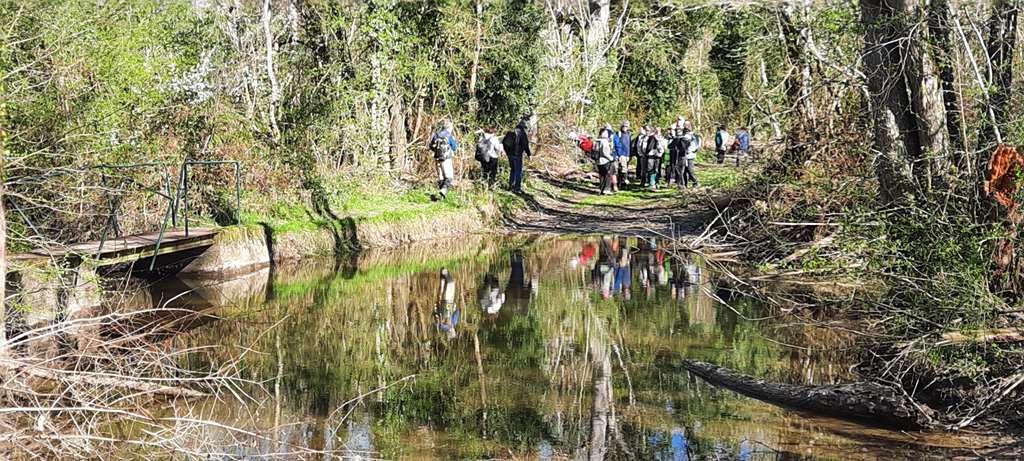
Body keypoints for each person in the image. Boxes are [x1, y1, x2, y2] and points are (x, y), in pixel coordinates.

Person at [429, 121, 458, 199]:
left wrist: (436, 151)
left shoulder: (436, 134)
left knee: (441, 177)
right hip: (446, 159)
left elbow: (430, 146)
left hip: (437, 158)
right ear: (450, 128)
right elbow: (454, 147)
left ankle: (441, 197)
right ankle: (443, 191)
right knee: (449, 177)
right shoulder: (449, 135)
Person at [503, 119, 532, 193]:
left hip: (510, 155)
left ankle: (510, 185)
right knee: (518, 171)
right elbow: (525, 145)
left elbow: (504, 142)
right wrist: (529, 154)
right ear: (523, 127)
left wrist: (507, 153)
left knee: (512, 170)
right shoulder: (522, 133)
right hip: (517, 155)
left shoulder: (511, 132)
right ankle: (517, 188)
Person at [436, 268, 459, 339]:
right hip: (440, 302)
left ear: (452, 331)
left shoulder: (453, 323)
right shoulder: (441, 326)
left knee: (450, 283)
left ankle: (444, 272)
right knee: (442, 284)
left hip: (448, 301)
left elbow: (457, 312)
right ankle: (442, 272)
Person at [594, 126, 616, 195]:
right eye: (605, 133)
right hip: (605, 161)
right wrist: (611, 158)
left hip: (598, 161)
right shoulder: (604, 141)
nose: (607, 134)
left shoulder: (596, 141)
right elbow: (605, 152)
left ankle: (601, 189)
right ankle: (606, 189)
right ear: (602, 133)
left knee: (601, 176)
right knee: (607, 175)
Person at [666, 116, 687, 184]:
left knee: (682, 167)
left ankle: (682, 182)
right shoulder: (673, 129)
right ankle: (673, 179)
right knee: (673, 165)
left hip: (682, 152)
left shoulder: (685, 130)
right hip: (673, 150)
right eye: (677, 120)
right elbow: (669, 143)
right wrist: (672, 132)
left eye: (680, 120)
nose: (678, 121)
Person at [677, 121, 699, 188]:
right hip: (683, 155)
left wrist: (692, 150)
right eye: (685, 125)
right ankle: (684, 184)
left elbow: (697, 145)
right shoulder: (682, 134)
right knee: (683, 171)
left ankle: (695, 182)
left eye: (687, 125)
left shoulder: (694, 135)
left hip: (690, 155)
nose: (686, 126)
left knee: (690, 170)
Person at [612, 121, 631, 186]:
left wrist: (628, 155)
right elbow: (616, 144)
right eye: (624, 126)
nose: (625, 127)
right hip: (619, 154)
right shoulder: (618, 134)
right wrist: (619, 154)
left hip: (626, 154)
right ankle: (617, 182)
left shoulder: (628, 134)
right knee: (618, 168)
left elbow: (628, 145)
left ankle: (623, 182)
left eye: (626, 126)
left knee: (624, 169)